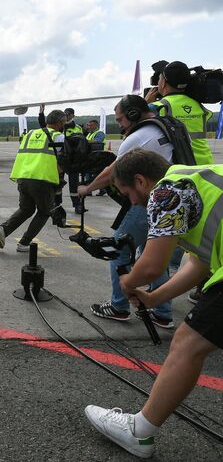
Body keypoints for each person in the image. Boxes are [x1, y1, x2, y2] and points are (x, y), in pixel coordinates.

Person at [84, 149, 222, 458]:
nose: (131, 201)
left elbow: (151, 267)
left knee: (188, 344)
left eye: (127, 193)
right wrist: (154, 298)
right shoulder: (196, 184)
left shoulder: (167, 192)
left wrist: (128, 282)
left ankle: (139, 433)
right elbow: (200, 264)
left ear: (141, 180)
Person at [77, 95, 173, 328]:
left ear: (132, 114)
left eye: (120, 118)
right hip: (167, 200)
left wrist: (88, 188)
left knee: (118, 250)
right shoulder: (166, 127)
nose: (118, 123)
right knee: (153, 254)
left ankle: (119, 306)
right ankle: (162, 311)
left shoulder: (137, 137)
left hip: (148, 203)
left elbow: (114, 172)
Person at [0, 109, 65, 252]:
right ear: (60, 122)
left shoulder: (31, 133)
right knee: (44, 211)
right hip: (42, 179)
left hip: (23, 177)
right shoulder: (58, 137)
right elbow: (64, 159)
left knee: (26, 209)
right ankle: (24, 243)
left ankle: (3, 230)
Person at [146, 61, 214, 165]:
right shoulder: (197, 105)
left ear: (163, 83)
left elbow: (135, 129)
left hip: (181, 167)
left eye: (159, 78)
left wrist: (145, 104)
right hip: (205, 164)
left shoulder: (158, 106)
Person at [84, 119, 107, 195]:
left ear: (96, 126)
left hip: (100, 157)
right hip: (92, 156)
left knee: (94, 173)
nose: (89, 127)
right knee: (94, 173)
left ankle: (89, 190)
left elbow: (97, 141)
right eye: (88, 125)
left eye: (91, 125)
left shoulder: (100, 133)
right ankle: (102, 190)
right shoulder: (89, 134)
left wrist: (83, 141)